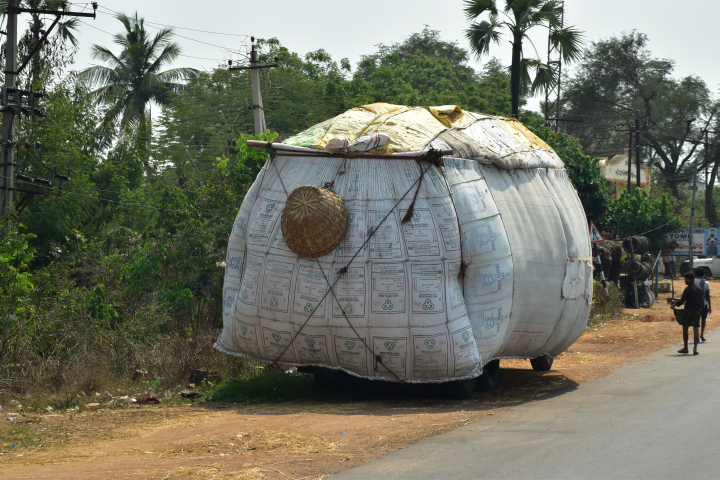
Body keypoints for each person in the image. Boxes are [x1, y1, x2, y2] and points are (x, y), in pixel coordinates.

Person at [671, 272, 704, 355]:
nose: (685, 281)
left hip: (688, 310)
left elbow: (682, 301)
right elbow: (702, 301)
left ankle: (686, 347)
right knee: (696, 329)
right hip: (697, 311)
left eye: (686, 279)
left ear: (691, 280)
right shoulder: (699, 289)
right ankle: (695, 349)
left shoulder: (688, 289)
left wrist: (674, 305)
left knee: (685, 329)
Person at [694, 268, 712, 342]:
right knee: (703, 319)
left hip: (694, 303)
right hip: (703, 303)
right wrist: (710, 306)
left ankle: (696, 335)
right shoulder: (706, 283)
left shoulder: (693, 281)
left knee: (696, 320)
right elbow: (708, 296)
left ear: (695, 274)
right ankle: (702, 333)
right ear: (703, 274)